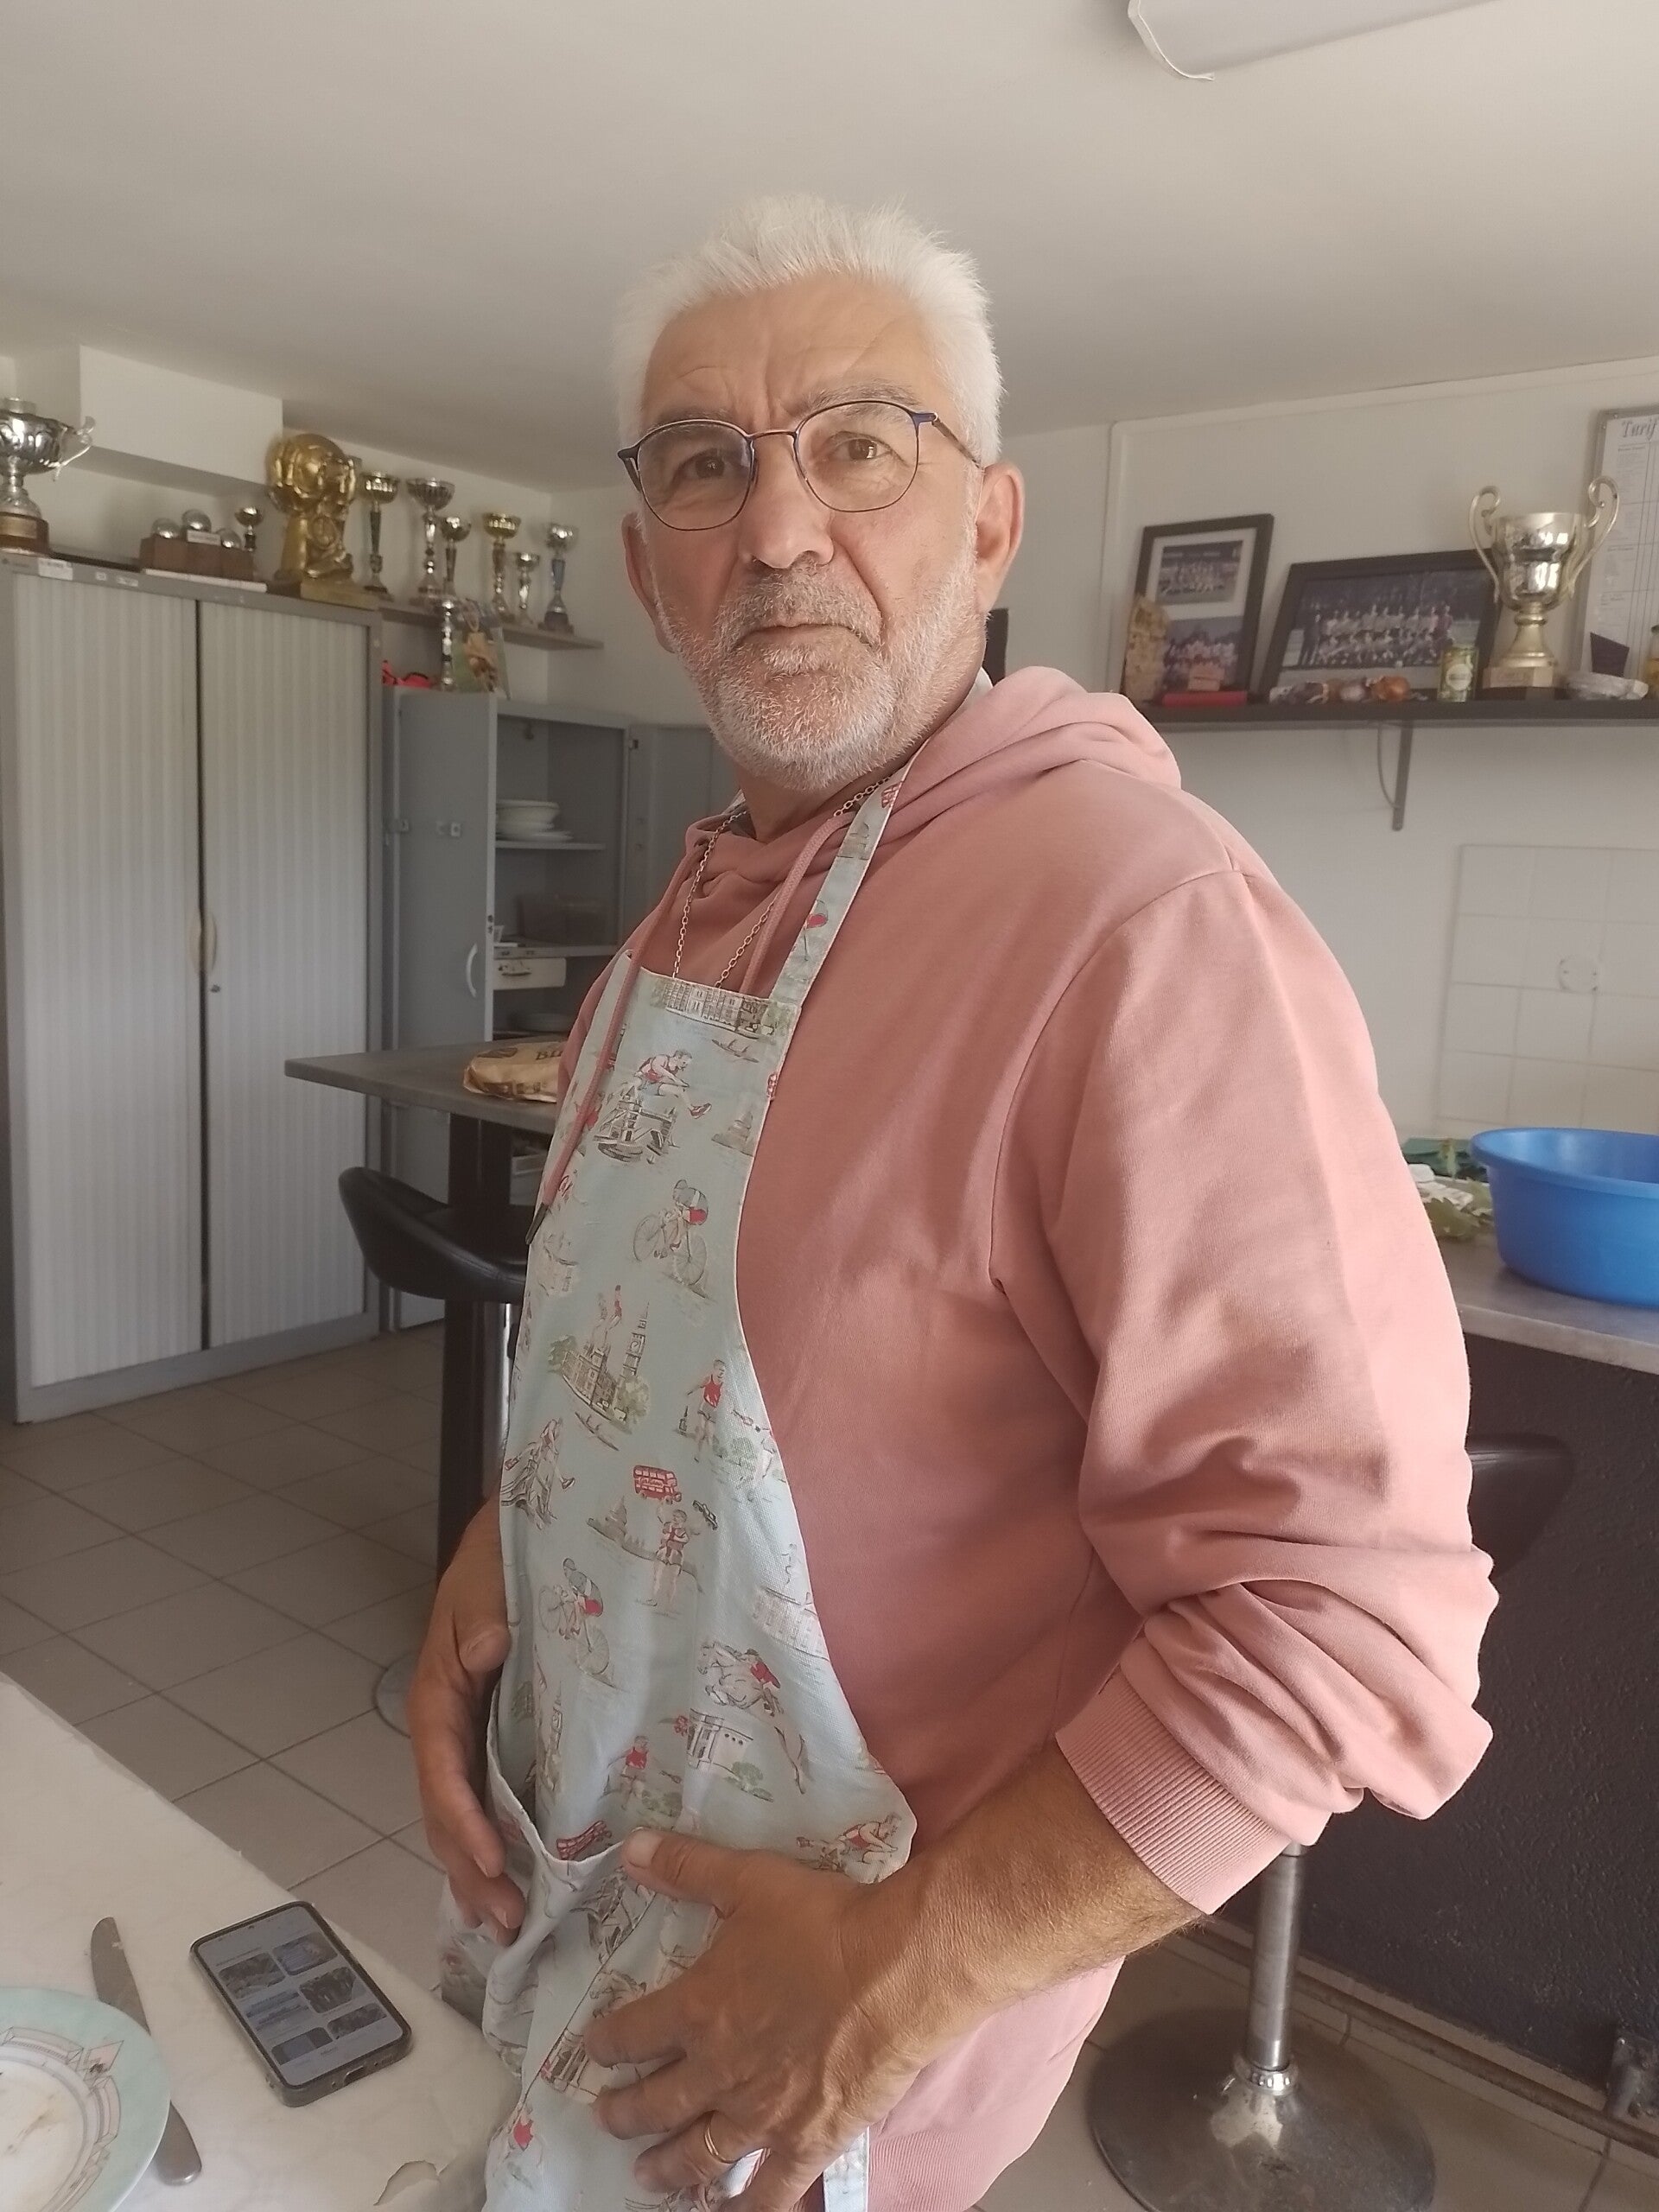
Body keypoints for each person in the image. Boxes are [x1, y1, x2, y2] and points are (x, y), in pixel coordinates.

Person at [410, 194, 1494, 2212]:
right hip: (588, 1936)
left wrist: (895, 1978)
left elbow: (1342, 1614)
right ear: (649, 570)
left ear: (990, 528)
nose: (778, 527)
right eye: (708, 464)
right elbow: (687, 1368)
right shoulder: (674, 933)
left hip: (832, 2058)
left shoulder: (1137, 920)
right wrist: (505, 1552)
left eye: (858, 444)